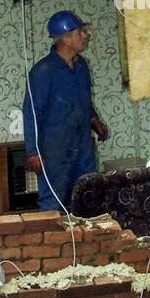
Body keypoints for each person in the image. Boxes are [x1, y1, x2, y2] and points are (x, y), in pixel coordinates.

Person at [23, 11, 108, 211]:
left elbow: (84, 100)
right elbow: (31, 113)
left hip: (82, 141)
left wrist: (94, 120)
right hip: (55, 147)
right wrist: (33, 152)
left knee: (87, 193)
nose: (85, 36)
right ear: (66, 39)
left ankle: (85, 239)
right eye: (80, 32)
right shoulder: (43, 72)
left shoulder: (82, 66)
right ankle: (54, 240)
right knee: (54, 199)